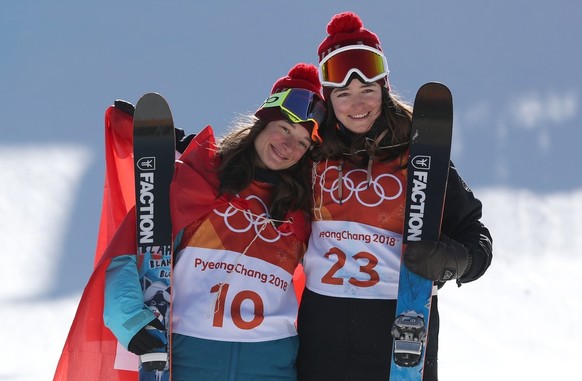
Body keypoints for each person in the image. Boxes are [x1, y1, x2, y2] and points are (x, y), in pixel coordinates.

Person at [296, 12, 493, 381]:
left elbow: (477, 237)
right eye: (344, 94)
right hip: (320, 333)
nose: (357, 105)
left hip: (400, 329)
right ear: (329, 98)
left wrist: (455, 261)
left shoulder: (420, 156)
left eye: (367, 91)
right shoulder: (311, 154)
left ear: (384, 89)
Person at [103, 63, 326, 381]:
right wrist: (131, 323)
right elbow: (123, 257)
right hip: (189, 361)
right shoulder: (192, 182)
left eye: (303, 143)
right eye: (285, 129)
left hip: (271, 368)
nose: (290, 146)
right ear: (261, 123)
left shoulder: (301, 213)